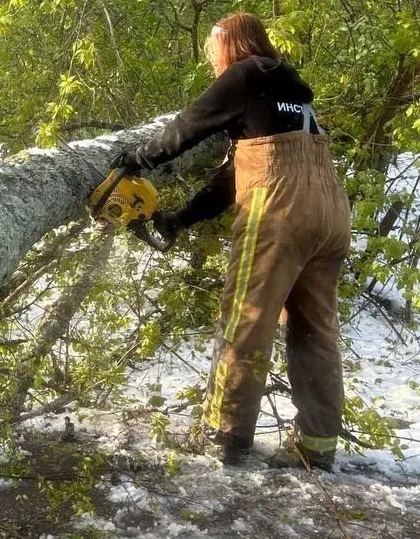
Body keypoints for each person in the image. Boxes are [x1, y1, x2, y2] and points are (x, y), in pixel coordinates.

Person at [107, 12, 351, 470]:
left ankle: (224, 433)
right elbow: (235, 175)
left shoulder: (246, 73)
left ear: (230, 45)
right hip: (331, 209)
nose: (212, 59)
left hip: (282, 207)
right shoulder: (295, 97)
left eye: (214, 50)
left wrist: (138, 160)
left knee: (246, 316)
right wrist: (181, 219)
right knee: (315, 330)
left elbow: (189, 123)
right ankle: (317, 447)